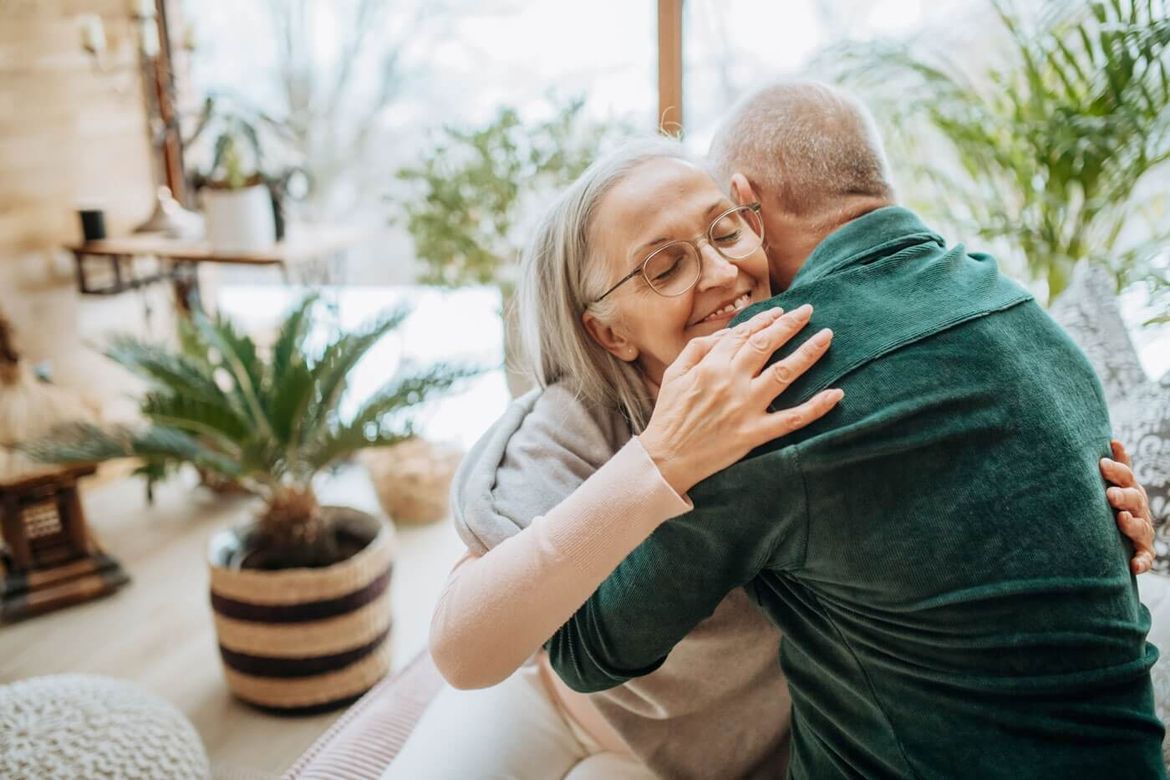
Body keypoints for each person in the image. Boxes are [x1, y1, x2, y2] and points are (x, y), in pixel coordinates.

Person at [384, 132, 1157, 777]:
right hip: (592, 718)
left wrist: (1087, 512)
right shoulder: (572, 426)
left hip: (759, 753)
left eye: (725, 231)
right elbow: (461, 649)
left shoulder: (817, 365)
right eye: (664, 266)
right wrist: (660, 461)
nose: (723, 273)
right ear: (610, 333)